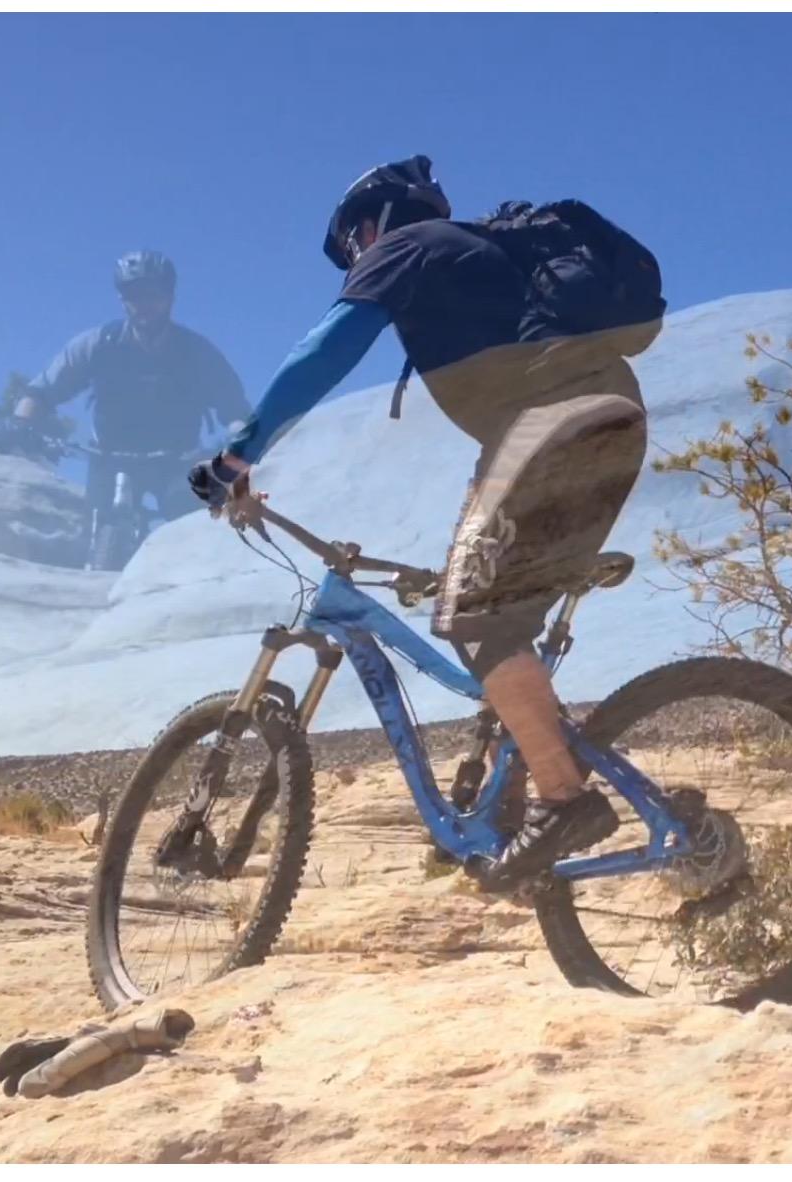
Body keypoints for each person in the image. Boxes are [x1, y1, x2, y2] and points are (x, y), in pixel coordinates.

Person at [189, 156, 649, 888]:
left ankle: (566, 803)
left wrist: (237, 456)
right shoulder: (472, 261)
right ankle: (510, 807)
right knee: (484, 615)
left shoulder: (408, 246)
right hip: (594, 422)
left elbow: (323, 352)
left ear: (374, 224)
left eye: (350, 244)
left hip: (559, 423)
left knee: (477, 618)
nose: (353, 260)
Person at [11, 250, 249, 525]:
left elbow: (234, 409)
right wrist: (19, 423)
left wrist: (240, 444)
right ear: (122, 300)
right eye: (134, 295)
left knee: (190, 522)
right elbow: (42, 390)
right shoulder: (99, 344)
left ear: (170, 297)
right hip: (109, 457)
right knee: (95, 524)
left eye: (152, 294)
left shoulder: (197, 353)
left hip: (177, 461)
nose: (143, 303)